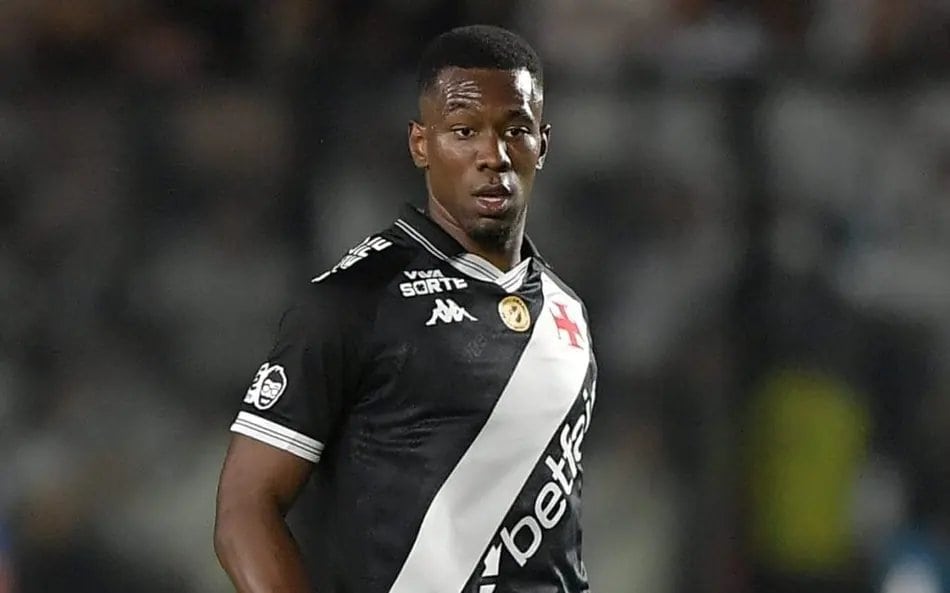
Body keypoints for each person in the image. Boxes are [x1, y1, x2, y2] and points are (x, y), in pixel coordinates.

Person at [214, 24, 597, 593]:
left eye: (515, 130)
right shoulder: (356, 300)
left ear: (542, 143)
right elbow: (245, 511)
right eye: (464, 131)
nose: (492, 156)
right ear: (421, 144)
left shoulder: (567, 313)